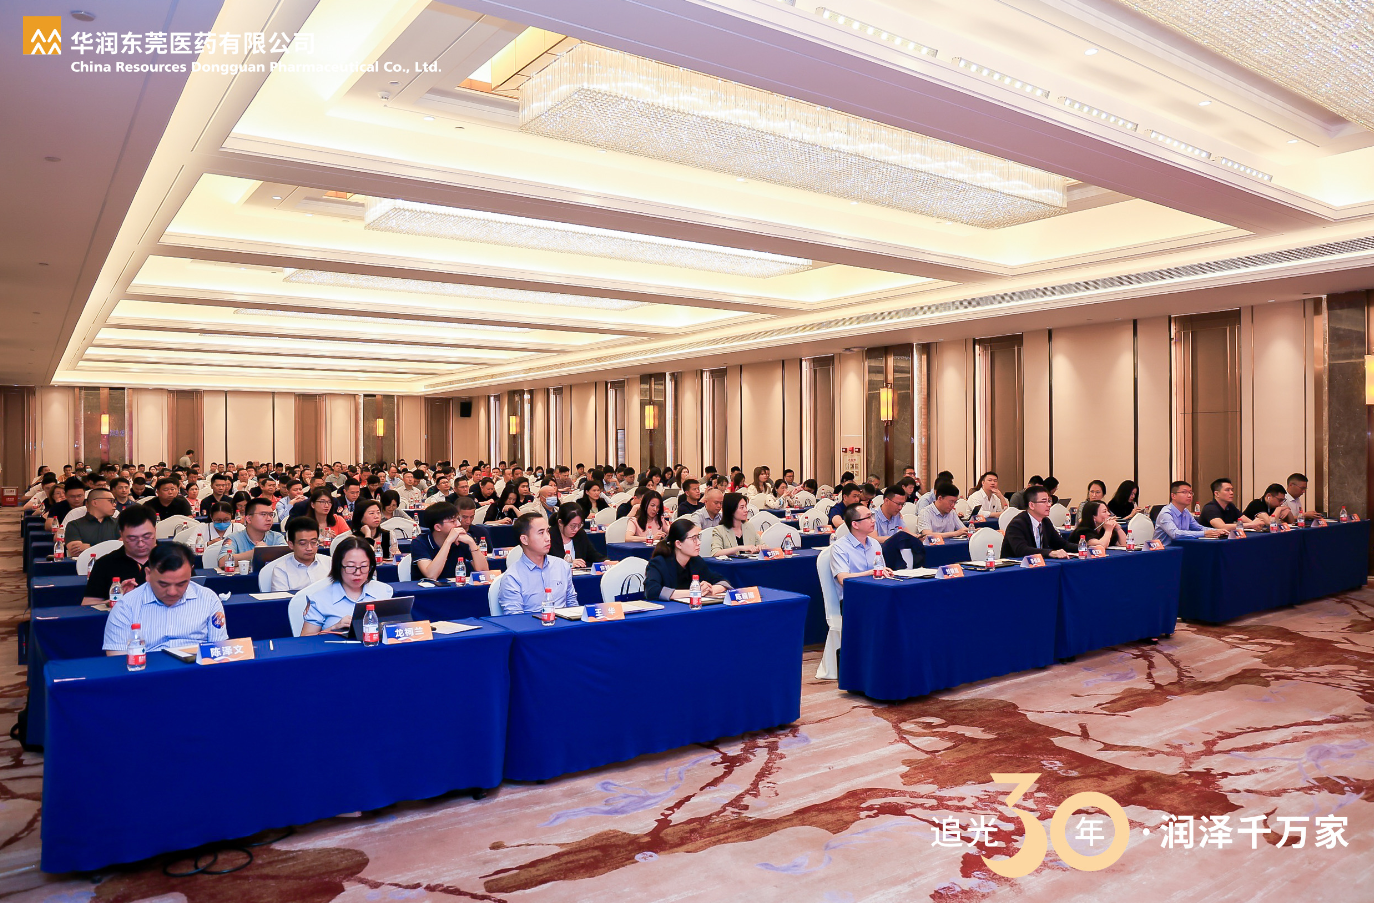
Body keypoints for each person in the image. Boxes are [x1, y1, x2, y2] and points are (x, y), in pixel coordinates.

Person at [102, 543, 227, 654]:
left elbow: (219, 650)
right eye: (163, 584)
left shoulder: (208, 599)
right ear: (148, 574)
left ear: (191, 572)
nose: (172, 592)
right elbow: (117, 659)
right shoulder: (125, 606)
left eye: (181, 584)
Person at [298, 536, 394, 636]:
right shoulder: (320, 599)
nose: (358, 573)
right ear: (338, 566)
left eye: (364, 566)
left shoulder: (384, 591)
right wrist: (333, 628)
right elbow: (305, 639)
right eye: (351, 566)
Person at [497, 513, 579, 614]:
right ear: (524, 540)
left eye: (547, 531)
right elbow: (515, 618)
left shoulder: (562, 566)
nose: (548, 538)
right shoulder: (512, 577)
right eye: (541, 533)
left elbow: (572, 604)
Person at [81, 505, 158, 605]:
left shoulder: (173, 558)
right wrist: (118, 600)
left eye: (147, 536)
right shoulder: (105, 563)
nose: (141, 544)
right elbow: (88, 604)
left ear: (155, 530)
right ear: (121, 534)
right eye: (132, 538)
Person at [644, 518, 730, 602]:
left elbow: (722, 581)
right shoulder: (659, 563)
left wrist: (710, 589)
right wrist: (694, 592)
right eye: (693, 538)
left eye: (698, 537)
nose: (699, 542)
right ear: (678, 544)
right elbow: (652, 591)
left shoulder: (696, 561)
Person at [411, 500, 490, 579]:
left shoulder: (462, 539)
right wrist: (448, 542)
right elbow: (431, 575)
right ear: (438, 527)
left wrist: (471, 542)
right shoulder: (420, 543)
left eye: (458, 519)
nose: (459, 524)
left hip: (456, 586)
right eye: (453, 521)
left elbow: (483, 571)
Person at [830, 504, 892, 600]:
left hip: (875, 593)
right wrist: (870, 572)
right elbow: (843, 579)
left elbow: (880, 571)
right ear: (855, 524)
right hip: (853, 599)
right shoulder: (840, 547)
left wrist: (885, 572)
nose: (873, 520)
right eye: (868, 517)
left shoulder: (875, 543)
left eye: (872, 516)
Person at [219, 496, 286, 571]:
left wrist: (267, 552)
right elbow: (222, 562)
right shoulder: (233, 538)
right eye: (263, 514)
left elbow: (287, 558)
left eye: (271, 514)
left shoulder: (277, 537)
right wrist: (255, 553)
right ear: (249, 519)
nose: (269, 519)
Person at [1003, 486, 1070, 558]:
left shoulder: (1045, 521)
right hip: (1017, 563)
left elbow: (1061, 544)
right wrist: (1049, 553)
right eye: (1044, 501)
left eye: (1049, 501)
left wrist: (1078, 548)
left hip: (1039, 562)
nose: (1049, 505)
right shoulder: (1017, 524)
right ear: (1031, 505)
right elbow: (1021, 550)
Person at [270, 516, 330, 592]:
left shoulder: (330, 563)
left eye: (314, 542)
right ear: (291, 544)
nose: (309, 548)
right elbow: (281, 598)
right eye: (303, 543)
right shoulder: (281, 570)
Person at [1154, 481, 1224, 544]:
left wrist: (1217, 531)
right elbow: (1175, 534)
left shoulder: (1186, 512)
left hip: (1181, 548)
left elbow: (1199, 528)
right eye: (1184, 492)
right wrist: (1204, 533)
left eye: (1190, 493)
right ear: (1173, 496)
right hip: (1163, 551)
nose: (1189, 496)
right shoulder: (1166, 513)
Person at [548, 503, 607, 567]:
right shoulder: (549, 537)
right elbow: (547, 563)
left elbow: (592, 554)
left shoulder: (580, 534)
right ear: (560, 522)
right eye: (573, 526)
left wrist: (606, 561)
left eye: (579, 525)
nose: (576, 529)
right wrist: (570, 564)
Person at [63, 487, 120, 555]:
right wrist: (110, 547)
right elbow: (76, 551)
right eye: (111, 501)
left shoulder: (119, 523)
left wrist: (90, 546)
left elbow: (124, 548)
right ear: (95, 503)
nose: (114, 504)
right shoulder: (74, 525)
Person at [707, 492, 763, 557]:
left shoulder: (749, 526)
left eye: (745, 506)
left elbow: (763, 545)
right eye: (742, 507)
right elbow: (715, 553)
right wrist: (739, 548)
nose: (746, 510)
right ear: (731, 510)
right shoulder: (719, 530)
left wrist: (761, 547)